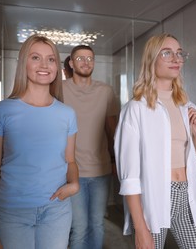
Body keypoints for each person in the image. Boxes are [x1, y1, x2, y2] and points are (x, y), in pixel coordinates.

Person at [114, 33, 196, 249]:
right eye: (167, 53)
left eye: (179, 53)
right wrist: (140, 229)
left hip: (187, 193)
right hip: (154, 195)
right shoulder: (136, 108)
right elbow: (129, 176)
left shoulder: (187, 105)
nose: (176, 59)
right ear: (152, 59)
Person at [0, 34, 79, 249]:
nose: (44, 65)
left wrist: (74, 185)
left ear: (57, 67)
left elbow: (70, 161)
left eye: (51, 59)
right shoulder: (2, 111)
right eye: (35, 57)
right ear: (23, 64)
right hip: (12, 212)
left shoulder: (67, 114)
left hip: (56, 210)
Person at [63, 45, 119, 249]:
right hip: (72, 172)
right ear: (71, 63)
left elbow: (112, 131)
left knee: (97, 225)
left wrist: (115, 161)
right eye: (80, 58)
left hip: (101, 171)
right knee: (79, 227)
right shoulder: (59, 89)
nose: (86, 62)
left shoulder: (105, 91)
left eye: (90, 58)